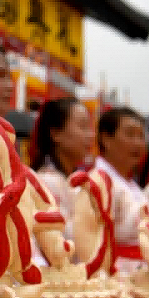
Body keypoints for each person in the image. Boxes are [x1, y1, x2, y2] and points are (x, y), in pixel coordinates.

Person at [28, 97, 94, 265]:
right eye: (82, 126)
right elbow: (62, 244)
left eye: (90, 127)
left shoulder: (69, 180)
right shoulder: (47, 181)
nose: (90, 135)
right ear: (56, 133)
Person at [94, 107, 149, 272]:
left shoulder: (132, 186)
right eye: (130, 134)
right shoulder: (97, 183)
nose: (138, 143)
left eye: (140, 136)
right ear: (106, 139)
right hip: (114, 275)